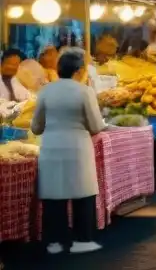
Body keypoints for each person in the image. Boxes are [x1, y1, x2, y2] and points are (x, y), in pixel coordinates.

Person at [31, 48, 105, 255]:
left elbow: (36, 126)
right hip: (77, 147)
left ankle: (55, 241)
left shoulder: (46, 91)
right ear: (79, 70)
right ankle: (83, 240)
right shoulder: (85, 92)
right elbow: (96, 125)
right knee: (83, 194)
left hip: (51, 146)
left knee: (54, 196)